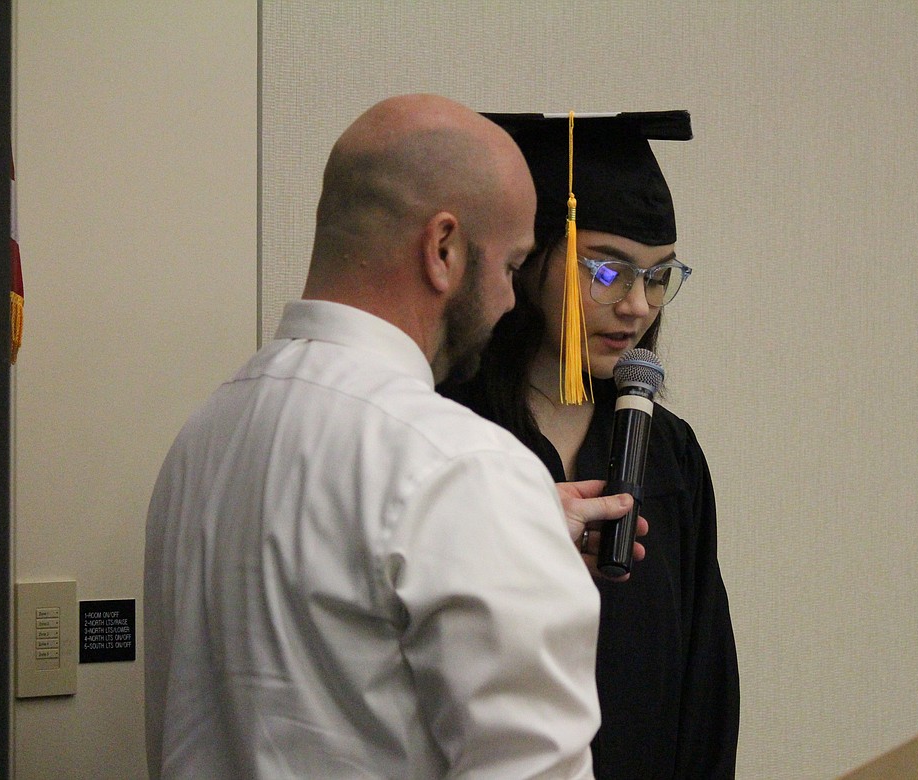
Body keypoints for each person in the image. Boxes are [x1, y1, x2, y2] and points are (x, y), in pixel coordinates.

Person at [143, 94, 630, 779]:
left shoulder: (204, 438)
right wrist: (499, 511)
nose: (512, 301)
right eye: (511, 268)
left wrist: (510, 530)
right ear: (443, 248)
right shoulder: (463, 468)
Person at [442, 111, 741, 778]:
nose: (637, 305)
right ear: (528, 263)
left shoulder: (670, 456)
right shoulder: (448, 436)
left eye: (659, 277)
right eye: (606, 274)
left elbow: (704, 684)